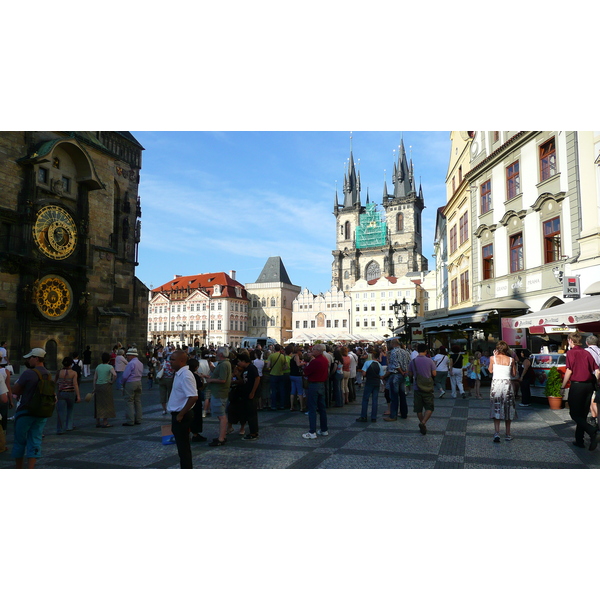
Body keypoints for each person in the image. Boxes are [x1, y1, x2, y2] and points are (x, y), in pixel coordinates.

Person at [11, 348, 54, 468]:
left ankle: (19, 468)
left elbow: (15, 390)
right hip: (41, 412)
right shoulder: (48, 374)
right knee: (35, 440)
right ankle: (30, 468)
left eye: (30, 358)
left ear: (36, 358)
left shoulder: (29, 373)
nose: (28, 360)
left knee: (19, 441)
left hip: (26, 411)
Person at [561, 332, 600, 450]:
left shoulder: (571, 353)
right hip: (589, 386)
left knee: (574, 414)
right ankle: (579, 440)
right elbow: (597, 371)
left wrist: (563, 387)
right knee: (582, 414)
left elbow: (569, 370)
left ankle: (592, 432)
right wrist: (596, 383)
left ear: (570, 341)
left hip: (577, 386)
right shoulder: (586, 353)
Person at [167, 350, 198, 469]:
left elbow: (193, 397)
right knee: (181, 447)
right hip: (178, 414)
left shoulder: (186, 375)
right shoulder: (179, 373)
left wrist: (181, 414)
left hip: (182, 415)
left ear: (181, 361)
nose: (170, 362)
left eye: (173, 359)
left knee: (184, 448)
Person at [489, 341, 518, 443]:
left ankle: (497, 433)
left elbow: (490, 370)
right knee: (508, 409)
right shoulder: (511, 360)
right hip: (507, 385)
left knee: (496, 408)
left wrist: (494, 356)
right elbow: (514, 374)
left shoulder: (493, 358)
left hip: (496, 385)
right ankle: (508, 434)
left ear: (497, 349)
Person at [203, 347, 232, 446]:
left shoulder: (224, 365)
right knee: (221, 415)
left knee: (221, 416)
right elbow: (216, 372)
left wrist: (211, 380)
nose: (215, 354)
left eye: (217, 353)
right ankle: (222, 436)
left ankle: (221, 438)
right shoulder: (223, 364)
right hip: (218, 392)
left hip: (219, 393)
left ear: (220, 354)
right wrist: (209, 363)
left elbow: (223, 379)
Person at [302, 344, 329, 439]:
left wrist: (308, 364)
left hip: (314, 385)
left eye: (313, 350)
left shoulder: (315, 361)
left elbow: (306, 371)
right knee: (322, 408)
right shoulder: (325, 360)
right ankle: (324, 429)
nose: (312, 351)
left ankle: (312, 432)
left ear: (318, 351)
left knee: (312, 409)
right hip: (322, 384)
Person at [409, 343, 437, 435]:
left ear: (417, 350)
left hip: (417, 387)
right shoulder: (430, 361)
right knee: (429, 407)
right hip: (428, 387)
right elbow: (434, 374)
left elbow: (410, 374)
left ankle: (422, 424)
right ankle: (423, 422)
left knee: (418, 409)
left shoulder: (413, 361)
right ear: (426, 351)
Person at [384, 338, 410, 422]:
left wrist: (401, 372)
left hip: (395, 375)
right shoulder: (405, 352)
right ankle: (404, 413)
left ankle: (393, 415)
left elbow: (396, 364)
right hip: (404, 375)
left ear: (393, 344)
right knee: (402, 395)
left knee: (394, 396)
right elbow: (409, 362)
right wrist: (405, 372)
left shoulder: (393, 352)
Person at [235, 354, 261, 440]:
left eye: (239, 361)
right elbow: (243, 381)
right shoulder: (245, 369)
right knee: (248, 413)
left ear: (243, 361)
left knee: (252, 414)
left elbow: (257, 378)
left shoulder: (252, 368)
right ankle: (252, 431)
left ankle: (254, 432)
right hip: (246, 393)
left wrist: (253, 392)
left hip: (251, 393)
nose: (238, 363)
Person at [55, 356, 81, 434]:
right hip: (70, 393)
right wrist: (78, 396)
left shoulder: (59, 372)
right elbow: (75, 384)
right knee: (70, 409)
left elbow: (55, 382)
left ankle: (60, 429)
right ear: (71, 364)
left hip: (61, 393)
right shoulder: (73, 373)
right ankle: (69, 426)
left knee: (60, 412)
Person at [356, 349, 383, 422]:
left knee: (365, 399)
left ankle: (363, 416)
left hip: (369, 382)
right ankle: (373, 417)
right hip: (376, 383)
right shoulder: (379, 364)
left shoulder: (367, 363)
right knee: (375, 400)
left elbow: (363, 373)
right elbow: (381, 376)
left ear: (372, 356)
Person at [121, 347, 144, 426]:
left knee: (129, 401)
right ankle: (138, 419)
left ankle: (130, 420)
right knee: (137, 401)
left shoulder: (131, 364)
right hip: (139, 382)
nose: (127, 357)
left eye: (127, 355)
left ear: (131, 355)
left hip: (131, 383)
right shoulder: (140, 363)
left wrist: (122, 383)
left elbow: (125, 376)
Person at [93, 352, 116, 428]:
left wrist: (94, 387)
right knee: (106, 403)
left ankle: (97, 421)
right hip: (106, 385)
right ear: (109, 359)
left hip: (98, 385)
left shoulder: (98, 366)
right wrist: (112, 381)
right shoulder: (109, 367)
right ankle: (105, 422)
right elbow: (115, 374)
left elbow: (95, 378)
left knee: (98, 403)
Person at [188, 358, 207, 443]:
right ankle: (195, 434)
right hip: (196, 397)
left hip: (187, 398)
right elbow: (201, 387)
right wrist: (202, 379)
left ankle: (189, 432)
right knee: (196, 416)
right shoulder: (195, 376)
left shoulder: (186, 375)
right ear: (196, 367)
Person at [585, 335, 600, 425]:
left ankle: (595, 417)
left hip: (592, 377)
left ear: (587, 343)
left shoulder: (586, 352)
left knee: (593, 399)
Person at [268, 344, 286, 410]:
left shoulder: (271, 356)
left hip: (273, 374)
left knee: (273, 390)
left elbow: (268, 366)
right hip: (281, 374)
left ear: (274, 349)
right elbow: (286, 366)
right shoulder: (282, 356)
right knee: (281, 390)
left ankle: (274, 405)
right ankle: (282, 405)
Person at [0, 361, 12, 452]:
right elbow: (8, 388)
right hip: (2, 400)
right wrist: (11, 400)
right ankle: (2, 444)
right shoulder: (4, 372)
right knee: (3, 422)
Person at [289, 346, 305, 412]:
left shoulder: (292, 357)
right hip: (297, 375)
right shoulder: (296, 356)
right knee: (300, 391)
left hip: (291, 375)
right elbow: (298, 364)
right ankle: (301, 407)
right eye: (301, 351)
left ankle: (291, 406)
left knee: (293, 391)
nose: (301, 352)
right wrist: (304, 363)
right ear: (298, 351)